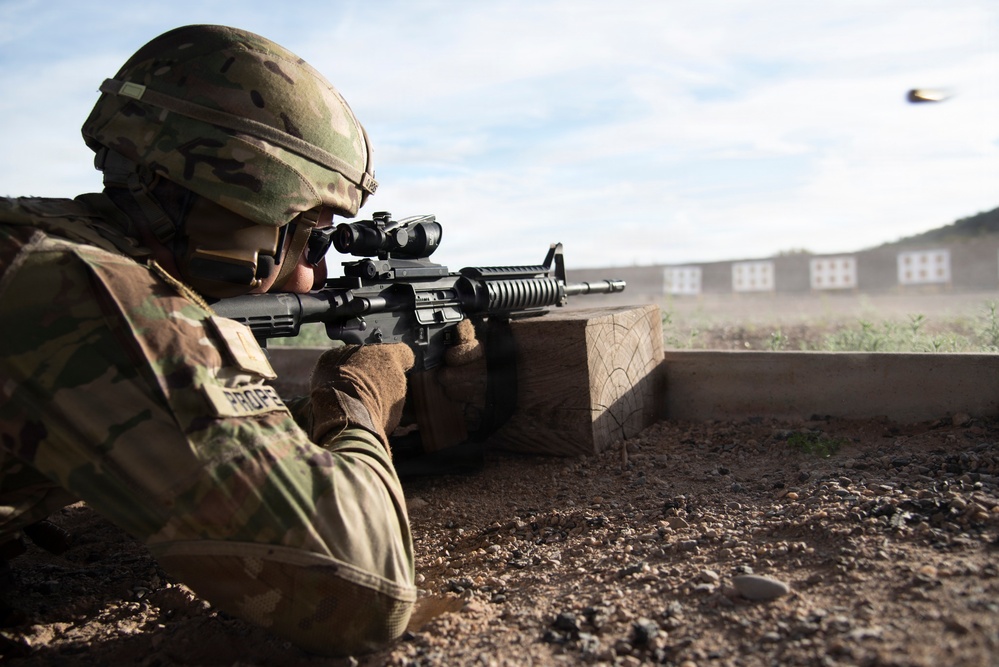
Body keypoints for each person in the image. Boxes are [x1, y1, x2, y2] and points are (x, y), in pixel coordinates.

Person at [0, 24, 417, 656]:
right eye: (312, 239)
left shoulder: (37, 244)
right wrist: (358, 399)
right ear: (243, 216)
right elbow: (362, 590)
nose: (320, 274)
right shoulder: (90, 289)